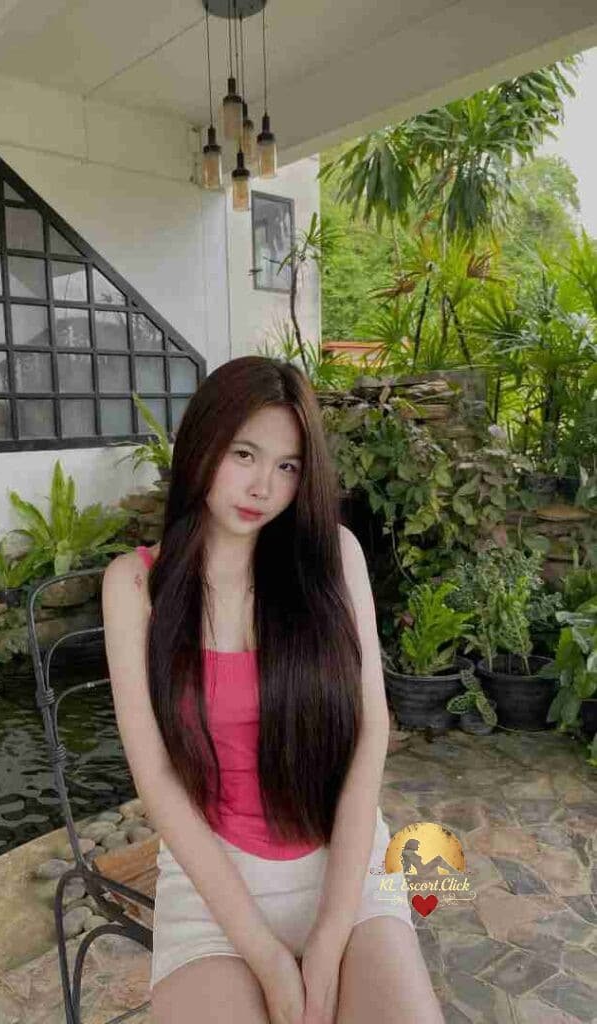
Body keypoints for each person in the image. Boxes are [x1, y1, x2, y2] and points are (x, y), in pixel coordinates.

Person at [103, 356, 444, 1024]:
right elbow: (157, 779)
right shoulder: (134, 586)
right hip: (214, 884)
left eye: (287, 466)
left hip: (343, 866)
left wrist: (328, 935)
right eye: (244, 453)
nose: (263, 485)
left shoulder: (331, 558)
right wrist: (265, 956)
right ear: (202, 444)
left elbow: (369, 731)